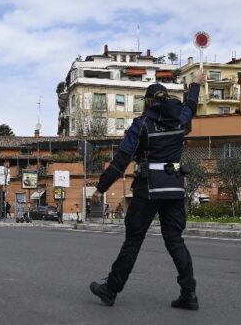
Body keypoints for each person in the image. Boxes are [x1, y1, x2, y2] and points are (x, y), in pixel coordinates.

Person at [89, 71, 204, 310]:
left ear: (148, 102)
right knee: (175, 241)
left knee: (133, 241)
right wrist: (195, 84)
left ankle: (110, 290)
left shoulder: (141, 125)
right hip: (174, 188)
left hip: (147, 189)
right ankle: (189, 293)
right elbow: (191, 106)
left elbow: (122, 159)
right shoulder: (180, 120)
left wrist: (101, 187)